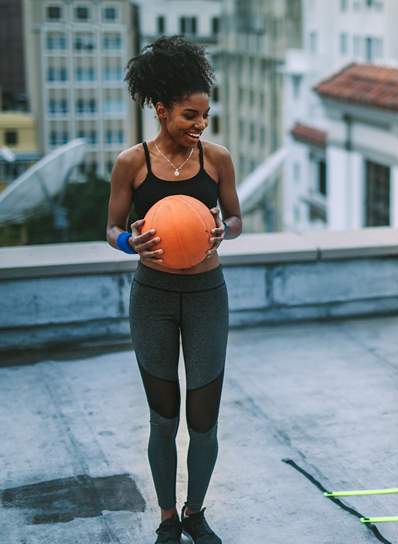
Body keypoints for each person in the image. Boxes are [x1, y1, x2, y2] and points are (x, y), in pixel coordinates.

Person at [105, 36, 241, 544]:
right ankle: (167, 517)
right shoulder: (131, 163)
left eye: (204, 116)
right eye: (189, 116)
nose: (199, 126)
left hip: (208, 296)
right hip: (153, 299)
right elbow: (110, 227)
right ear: (161, 110)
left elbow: (237, 217)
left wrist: (225, 228)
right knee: (162, 418)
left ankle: (195, 512)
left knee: (203, 420)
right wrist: (128, 242)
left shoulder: (217, 160)